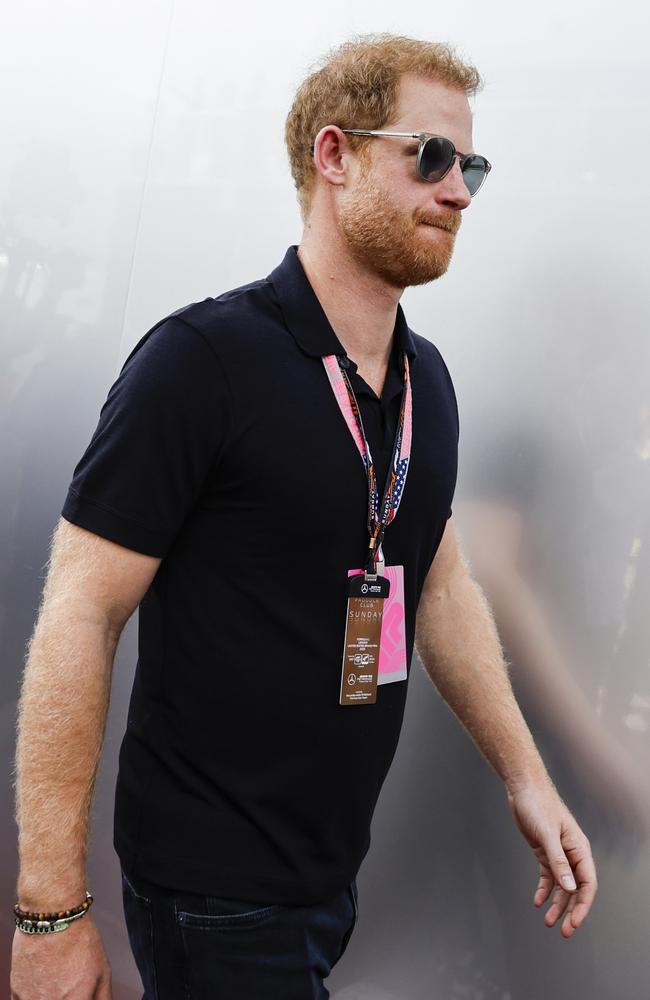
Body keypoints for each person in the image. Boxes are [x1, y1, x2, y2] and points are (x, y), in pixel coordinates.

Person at [11, 32, 598, 1000]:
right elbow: (79, 612)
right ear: (334, 156)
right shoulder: (201, 359)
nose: (457, 191)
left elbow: (436, 579)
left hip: (327, 873)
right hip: (213, 886)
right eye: (430, 155)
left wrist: (523, 778)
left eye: (471, 166)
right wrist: (49, 912)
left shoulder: (425, 381)